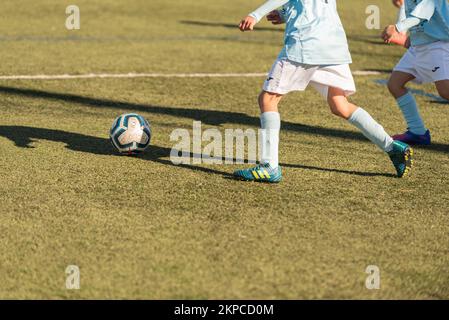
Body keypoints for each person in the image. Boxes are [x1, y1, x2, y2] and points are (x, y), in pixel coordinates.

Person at [234, 0, 413, 183]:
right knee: (340, 105)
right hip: (333, 46)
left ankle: (269, 166)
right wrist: (286, 13)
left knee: (268, 100)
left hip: (306, 44)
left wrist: (255, 14)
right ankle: (392, 147)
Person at [382, 0, 449, 145]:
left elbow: (423, 13)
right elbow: (409, 10)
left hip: (438, 44)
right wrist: (407, 34)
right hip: (418, 46)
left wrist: (397, 28)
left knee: (445, 91)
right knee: (395, 83)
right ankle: (417, 132)